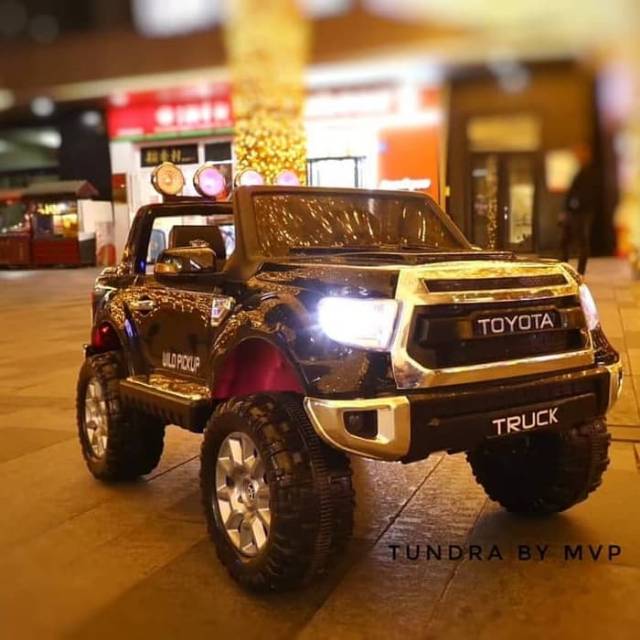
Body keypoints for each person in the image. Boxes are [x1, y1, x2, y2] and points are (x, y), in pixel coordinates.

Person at [560, 143, 598, 275]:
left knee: (581, 241)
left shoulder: (589, 172)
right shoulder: (580, 171)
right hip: (574, 211)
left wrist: (575, 205)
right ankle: (564, 267)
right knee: (565, 241)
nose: (576, 156)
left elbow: (586, 193)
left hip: (582, 212)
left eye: (578, 153)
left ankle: (580, 272)